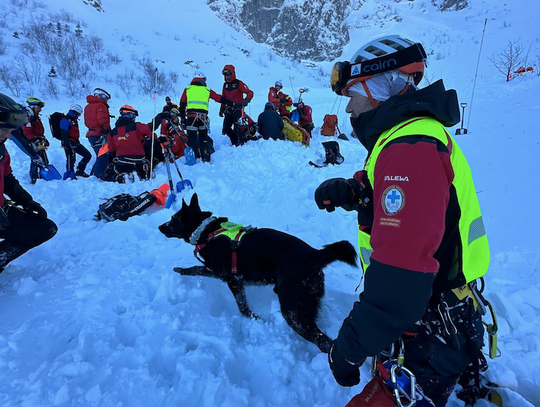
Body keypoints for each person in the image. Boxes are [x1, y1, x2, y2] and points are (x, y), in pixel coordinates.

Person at [314, 35, 491, 407]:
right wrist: (355, 190)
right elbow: (413, 203)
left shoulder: (410, 149)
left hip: (429, 333)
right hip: (448, 315)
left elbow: (399, 284)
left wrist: (348, 348)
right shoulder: (411, 138)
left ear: (382, 87)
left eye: (353, 94)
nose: (348, 109)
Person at [0, 93, 57, 273]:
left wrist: (26, 200)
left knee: (44, 229)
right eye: (4, 130)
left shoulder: (1, 149)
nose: (9, 136)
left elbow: (7, 179)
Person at [179, 71, 235, 162]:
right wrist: (231, 103)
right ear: (203, 79)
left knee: (192, 139)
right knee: (203, 137)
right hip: (203, 118)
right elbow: (219, 98)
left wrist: (182, 118)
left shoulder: (187, 89)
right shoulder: (207, 90)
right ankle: (205, 157)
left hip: (191, 117)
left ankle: (193, 159)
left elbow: (182, 104)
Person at [107, 105, 169, 182]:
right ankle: (141, 174)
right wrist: (161, 116)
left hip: (122, 162)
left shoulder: (112, 133)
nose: (134, 118)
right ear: (129, 115)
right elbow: (151, 127)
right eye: (133, 115)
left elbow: (112, 151)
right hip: (139, 160)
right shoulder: (137, 126)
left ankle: (122, 176)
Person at [220, 65, 254, 146]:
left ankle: (239, 142)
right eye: (225, 75)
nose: (226, 77)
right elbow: (223, 98)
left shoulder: (239, 84)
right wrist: (222, 108)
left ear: (232, 74)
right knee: (226, 129)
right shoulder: (225, 85)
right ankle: (234, 140)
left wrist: (246, 100)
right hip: (229, 109)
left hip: (238, 109)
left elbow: (250, 93)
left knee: (237, 128)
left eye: (228, 75)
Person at [21, 97, 51, 183]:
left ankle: (43, 175)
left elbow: (37, 129)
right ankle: (34, 177)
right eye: (39, 107)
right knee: (36, 158)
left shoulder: (35, 116)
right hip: (32, 141)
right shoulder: (27, 116)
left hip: (38, 139)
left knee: (44, 159)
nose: (40, 109)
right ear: (32, 106)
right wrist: (35, 141)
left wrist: (43, 138)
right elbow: (27, 131)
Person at [60, 104, 92, 180]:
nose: (78, 116)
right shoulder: (65, 120)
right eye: (78, 114)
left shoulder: (73, 120)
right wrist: (66, 144)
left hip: (75, 142)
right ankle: (70, 173)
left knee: (87, 155)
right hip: (69, 142)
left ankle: (80, 170)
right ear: (75, 112)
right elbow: (64, 133)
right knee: (71, 158)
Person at [84, 87, 112, 159]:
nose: (106, 100)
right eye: (105, 97)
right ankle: (99, 170)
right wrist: (109, 132)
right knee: (103, 158)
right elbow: (102, 121)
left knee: (100, 156)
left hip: (91, 135)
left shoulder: (87, 106)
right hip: (99, 135)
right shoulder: (101, 105)